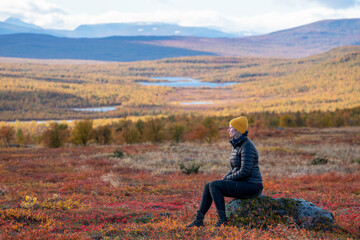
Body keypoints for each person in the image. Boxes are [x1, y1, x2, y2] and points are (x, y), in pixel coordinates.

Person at [186, 116, 263, 227]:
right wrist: (224, 179)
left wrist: (227, 180)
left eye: (231, 127)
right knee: (209, 185)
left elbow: (244, 172)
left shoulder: (247, 146)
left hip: (252, 186)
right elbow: (233, 169)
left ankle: (222, 221)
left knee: (215, 185)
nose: (228, 130)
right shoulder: (238, 145)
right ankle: (198, 220)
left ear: (238, 130)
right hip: (243, 183)